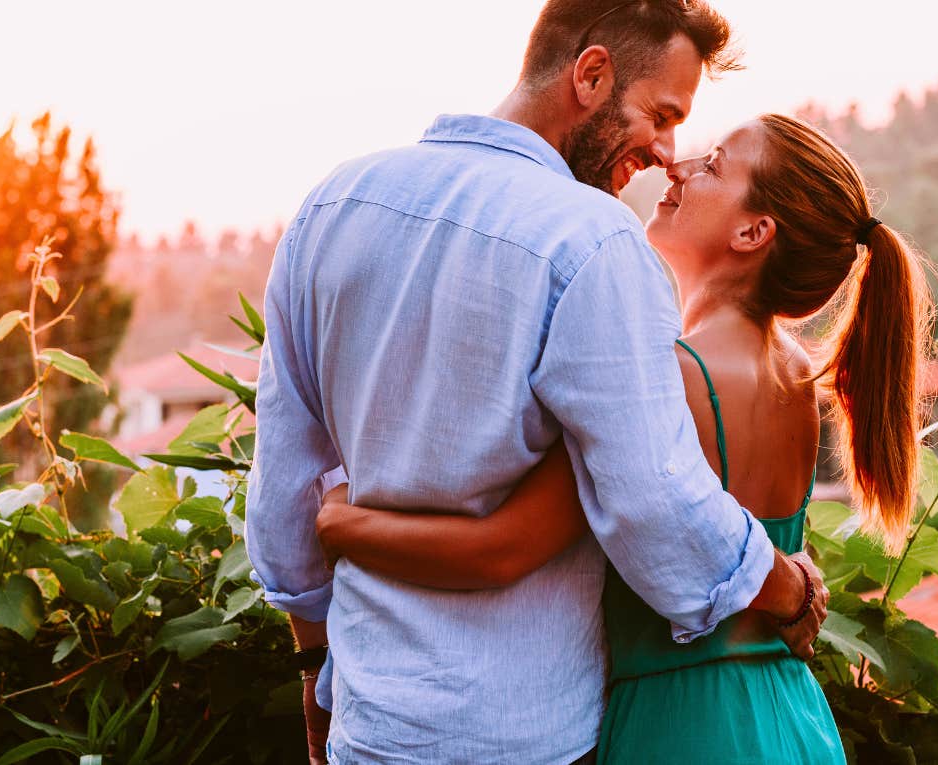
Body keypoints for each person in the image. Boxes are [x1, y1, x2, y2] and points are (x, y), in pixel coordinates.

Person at [244, 1, 828, 762]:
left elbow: (286, 486)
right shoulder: (593, 240)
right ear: (591, 74)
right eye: (661, 114)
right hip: (529, 735)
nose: (665, 151)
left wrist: (316, 667)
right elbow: (655, 504)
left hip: (372, 727)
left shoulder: (333, 203)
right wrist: (788, 586)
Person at [317, 113, 935, 763]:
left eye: (715, 164)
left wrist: (340, 522)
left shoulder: (666, 375)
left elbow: (499, 548)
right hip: (793, 716)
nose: (679, 167)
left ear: (754, 231)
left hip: (683, 731)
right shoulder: (792, 376)